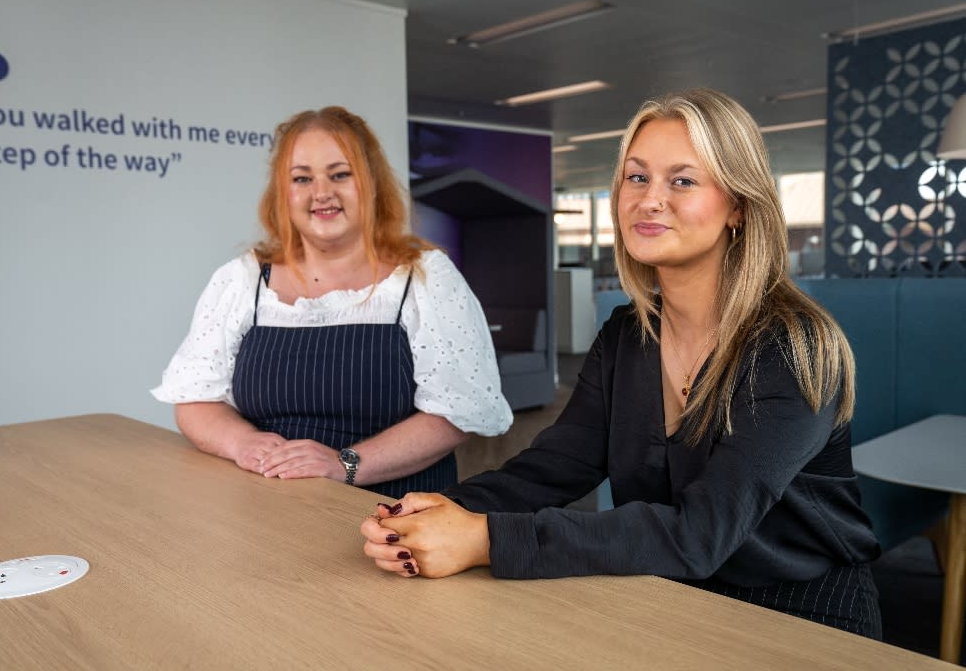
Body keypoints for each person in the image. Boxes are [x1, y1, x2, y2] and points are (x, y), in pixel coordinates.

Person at [361, 88, 883, 639]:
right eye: (637, 177)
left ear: (739, 207)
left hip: (801, 620)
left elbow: (697, 536)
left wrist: (485, 538)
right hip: (664, 596)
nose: (650, 199)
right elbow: (553, 469)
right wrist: (438, 512)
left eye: (682, 180)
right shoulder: (626, 337)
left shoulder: (790, 347)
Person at [152, 106, 512, 498]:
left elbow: (454, 414)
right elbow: (195, 401)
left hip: (394, 513)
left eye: (340, 174)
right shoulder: (243, 279)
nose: (321, 193)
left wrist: (344, 464)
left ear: (371, 184)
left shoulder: (425, 278)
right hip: (264, 505)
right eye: (302, 178)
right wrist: (244, 445)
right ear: (282, 194)